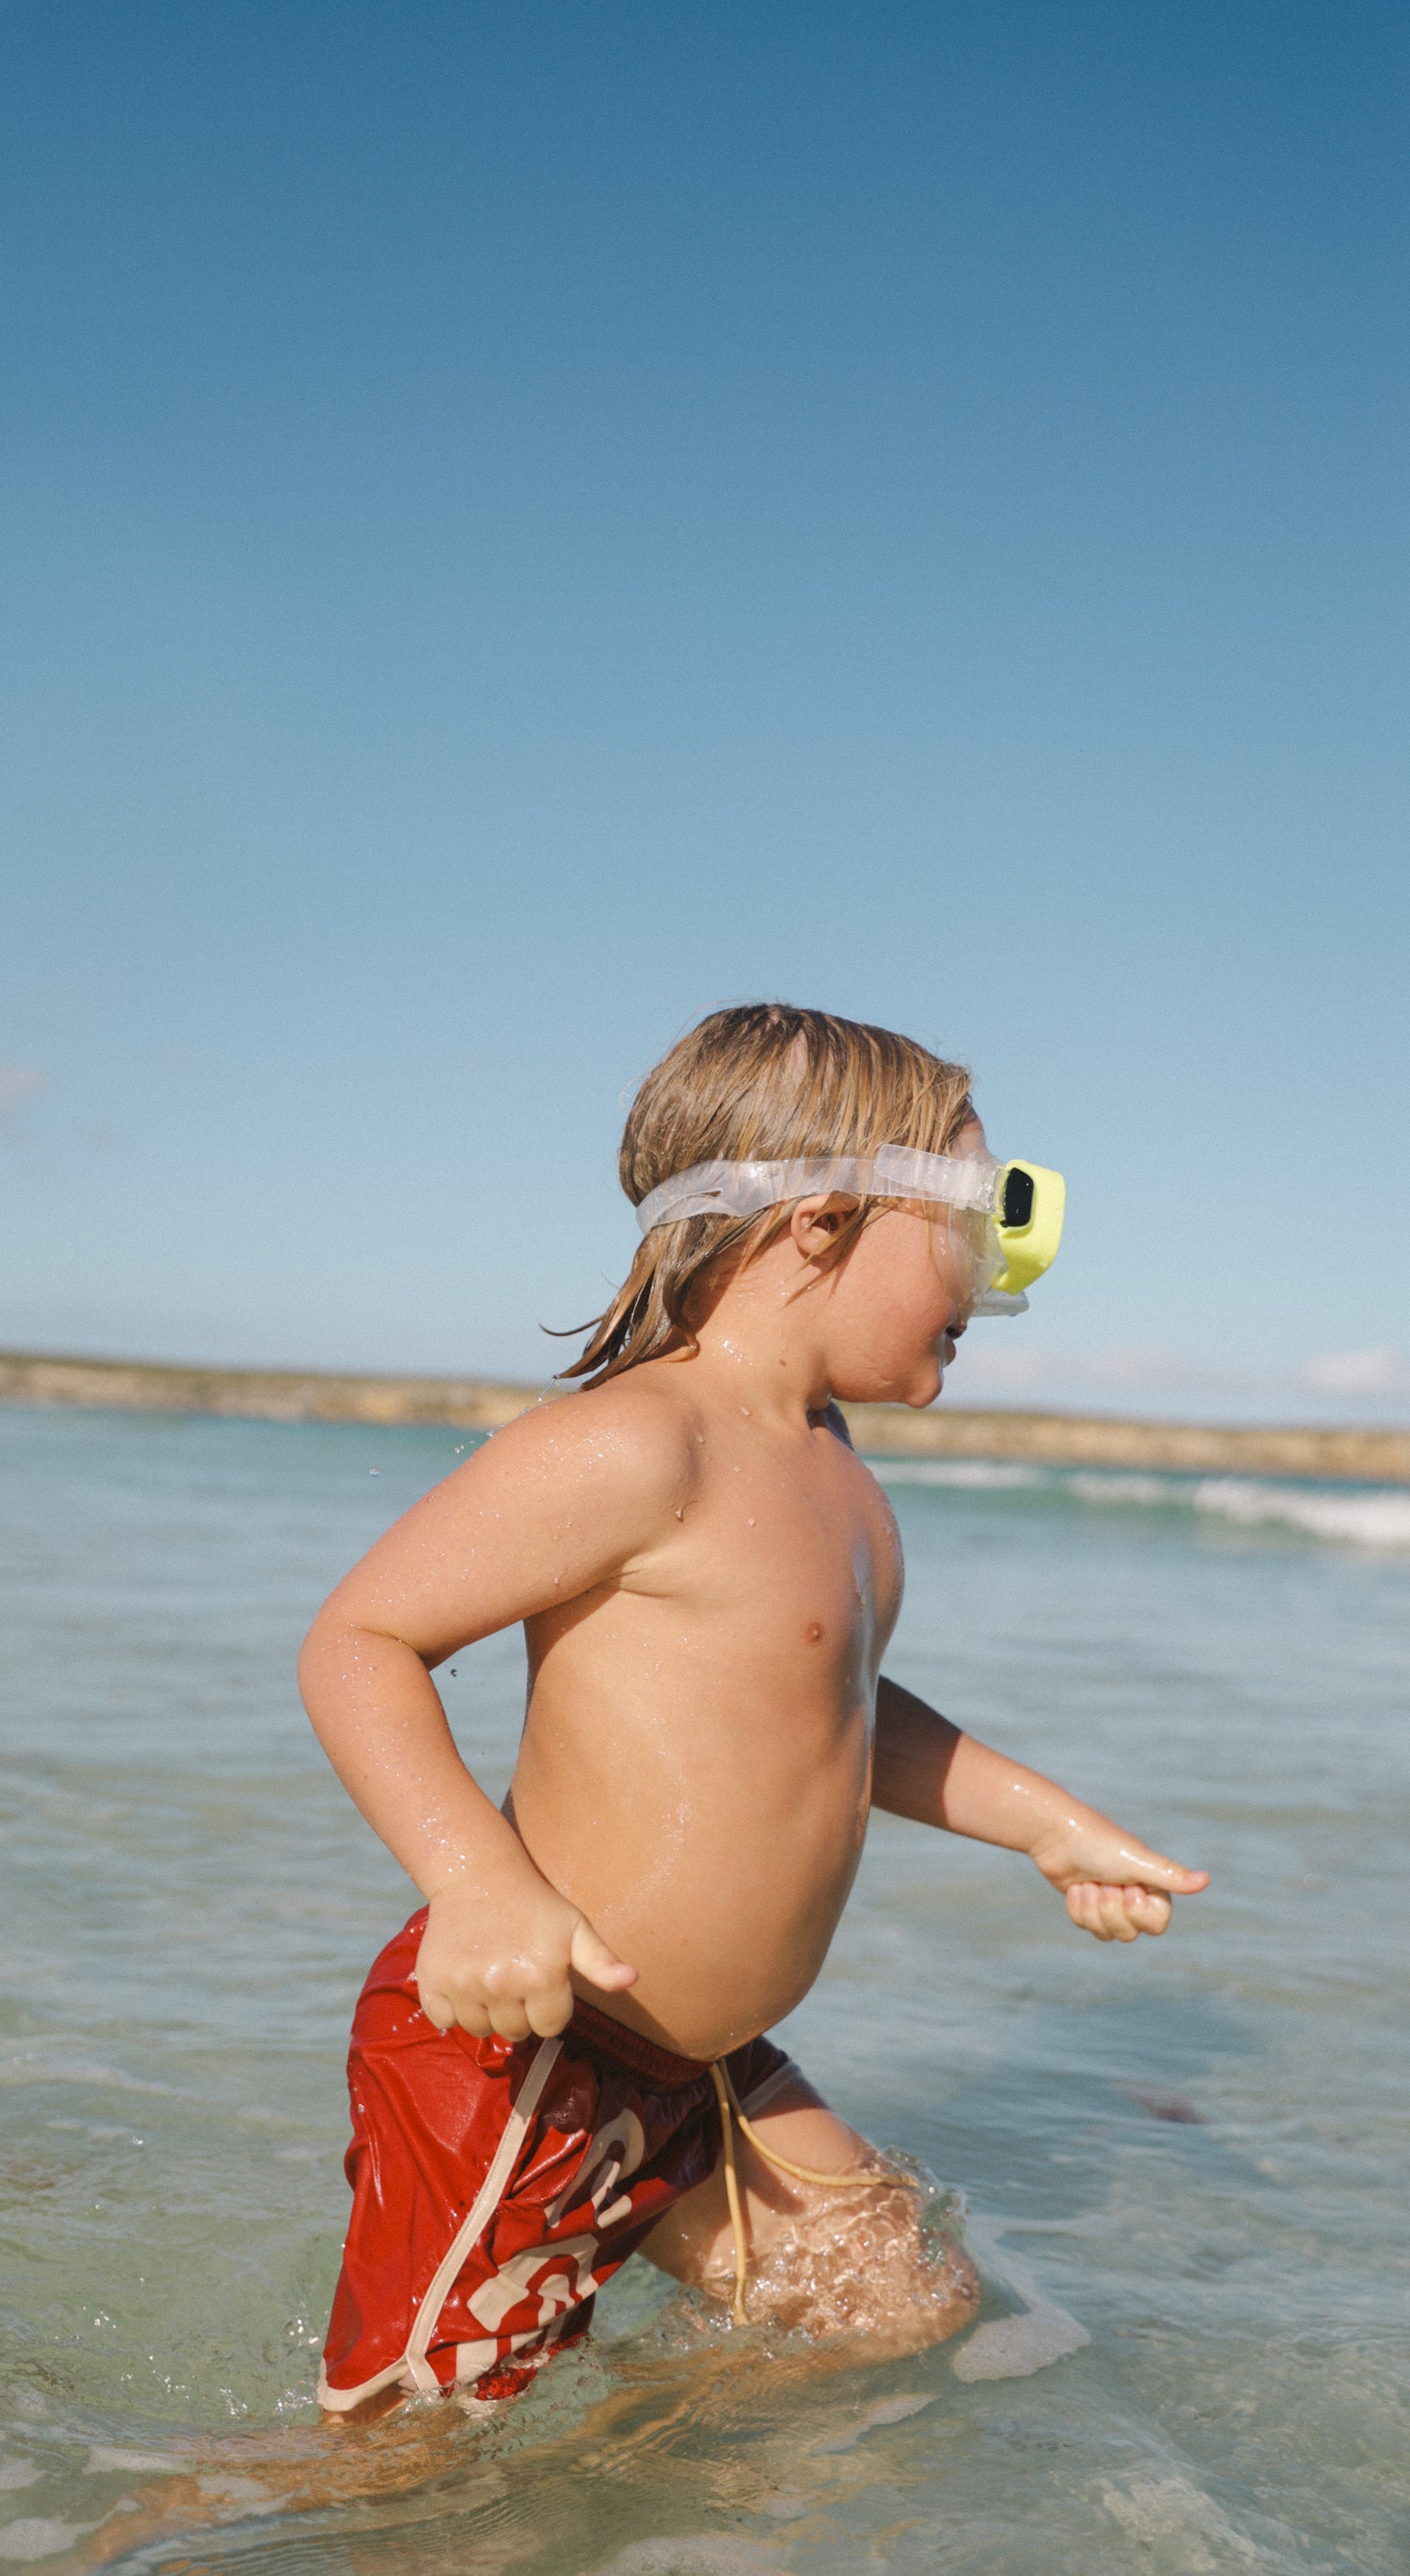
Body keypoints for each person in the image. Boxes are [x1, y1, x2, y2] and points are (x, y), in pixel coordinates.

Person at [299, 1003, 1208, 2414]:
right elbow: (361, 1639)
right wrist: (473, 1882)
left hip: (705, 2069)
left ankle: (652, 2493)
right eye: (979, 1217)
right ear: (822, 1222)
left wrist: (1047, 1824)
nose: (1005, 1261)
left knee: (899, 2309)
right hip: (528, 2052)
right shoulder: (638, 1441)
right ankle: (142, 2544)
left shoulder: (840, 1481)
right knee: (403, 2471)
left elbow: (838, 1709)